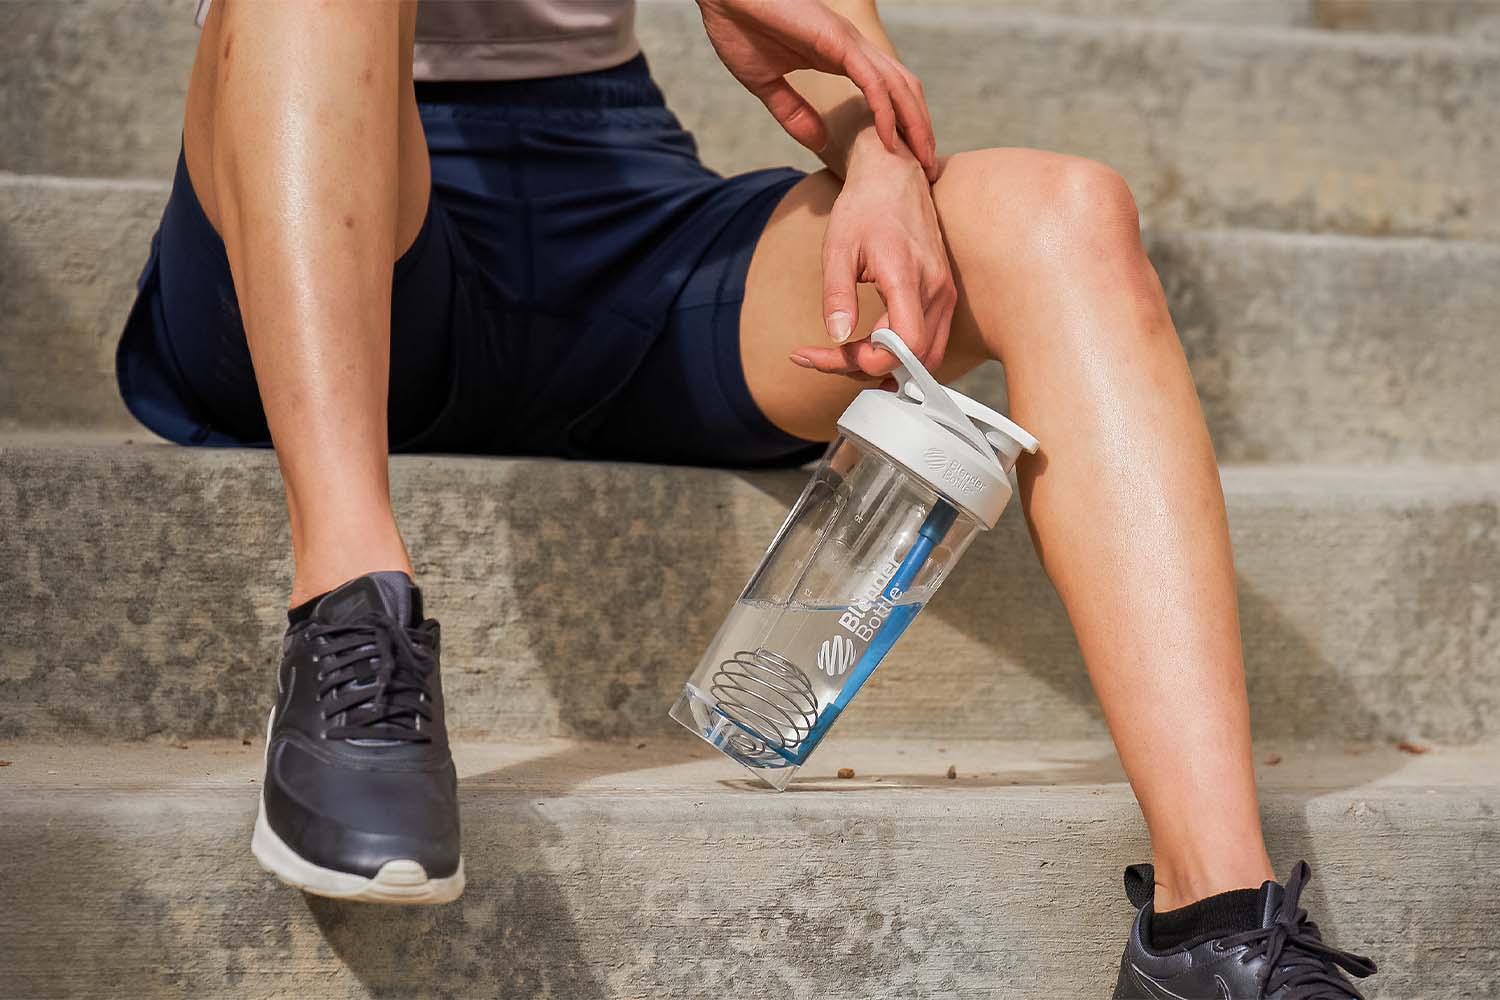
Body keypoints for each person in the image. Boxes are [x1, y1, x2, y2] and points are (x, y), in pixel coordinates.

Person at [116, 0, 1378, 995]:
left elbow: (825, 44)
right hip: (295, 172)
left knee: (1062, 215)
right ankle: (351, 613)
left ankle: (1216, 928)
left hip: (605, 177)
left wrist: (876, 147)